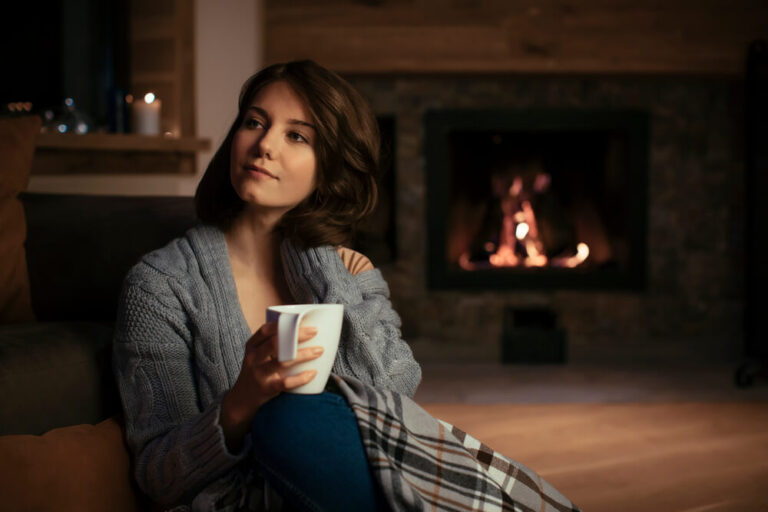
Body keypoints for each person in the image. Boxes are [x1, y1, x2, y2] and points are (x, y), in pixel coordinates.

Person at [114, 60, 579, 512]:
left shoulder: (345, 272)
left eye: (296, 135)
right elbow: (158, 474)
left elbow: (391, 402)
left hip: (358, 482)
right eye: (255, 122)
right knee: (286, 419)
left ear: (328, 170)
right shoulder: (160, 287)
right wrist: (241, 403)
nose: (264, 145)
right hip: (247, 497)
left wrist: (326, 272)